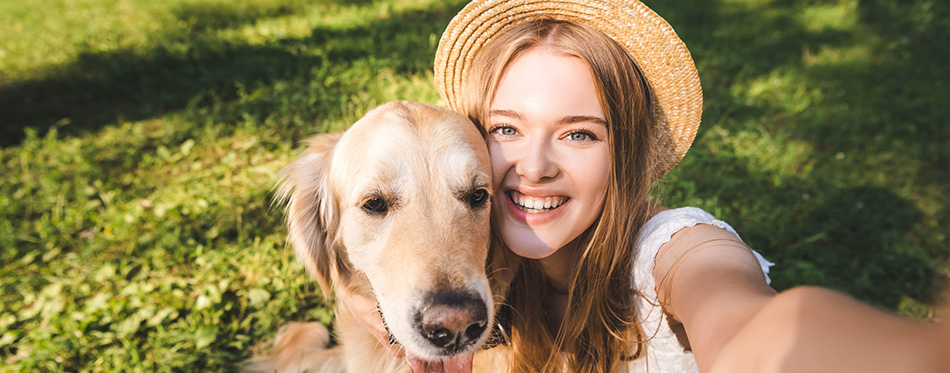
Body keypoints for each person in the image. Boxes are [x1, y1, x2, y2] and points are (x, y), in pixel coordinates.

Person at [346, 0, 950, 372]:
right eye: (507, 128)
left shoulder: (672, 252)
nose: (533, 167)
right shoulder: (484, 261)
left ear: (624, 155)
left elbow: (748, 323)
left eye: (579, 134)